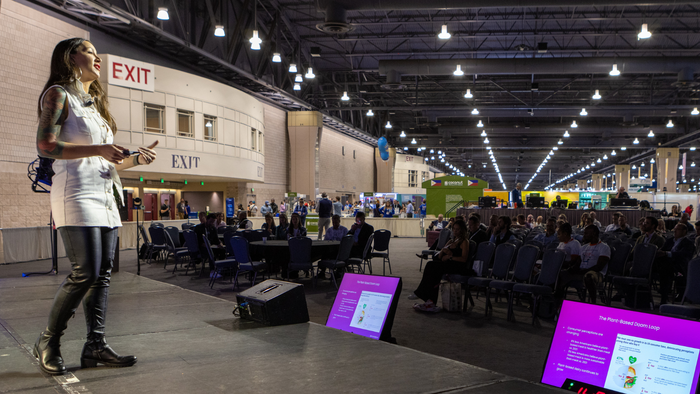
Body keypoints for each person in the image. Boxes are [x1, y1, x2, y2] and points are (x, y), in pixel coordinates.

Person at [32, 38, 158, 375]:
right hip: (75, 193)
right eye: (88, 50)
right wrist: (100, 149)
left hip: (105, 196)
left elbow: (107, 163)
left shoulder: (94, 105)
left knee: (101, 277)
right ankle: (49, 340)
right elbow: (46, 144)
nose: (96, 56)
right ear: (71, 57)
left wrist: (133, 159)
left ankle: (95, 345)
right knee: (85, 272)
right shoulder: (58, 94)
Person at [410, 220, 473, 312]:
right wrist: (443, 251)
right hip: (448, 264)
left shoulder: (464, 242)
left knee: (433, 267)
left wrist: (450, 256)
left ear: (462, 230)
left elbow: (464, 259)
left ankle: (422, 294)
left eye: (458, 229)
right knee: (432, 268)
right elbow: (439, 257)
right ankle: (430, 300)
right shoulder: (451, 241)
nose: (455, 231)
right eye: (454, 229)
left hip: (458, 266)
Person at [556, 225, 610, 304]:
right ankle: (558, 302)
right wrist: (571, 270)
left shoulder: (604, 247)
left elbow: (599, 266)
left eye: (586, 234)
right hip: (582, 271)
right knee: (560, 274)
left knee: (589, 277)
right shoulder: (584, 247)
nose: (584, 236)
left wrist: (583, 271)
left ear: (594, 234)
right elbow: (578, 263)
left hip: (596, 273)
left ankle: (593, 303)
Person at [656, 223, 695, 304]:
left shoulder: (688, 243)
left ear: (684, 232)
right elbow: (662, 250)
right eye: (675, 229)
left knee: (665, 269)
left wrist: (667, 253)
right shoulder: (670, 240)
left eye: (677, 229)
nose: (675, 231)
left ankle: (664, 297)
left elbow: (683, 255)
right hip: (666, 263)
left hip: (679, 266)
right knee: (661, 265)